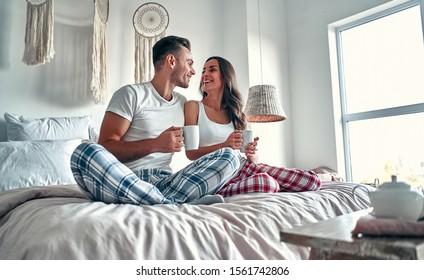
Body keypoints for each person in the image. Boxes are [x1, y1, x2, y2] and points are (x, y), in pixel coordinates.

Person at [70, 36, 240, 206]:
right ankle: (166, 202)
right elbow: (106, 147)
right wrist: (155, 144)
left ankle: (159, 200)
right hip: (123, 178)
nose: (194, 71)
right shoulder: (132, 94)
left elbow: (197, 150)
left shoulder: (183, 104)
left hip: (166, 184)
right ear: (171, 61)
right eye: (189, 63)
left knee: (229, 157)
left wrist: (233, 144)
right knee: (85, 151)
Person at [184, 56, 321, 197]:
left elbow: (252, 159)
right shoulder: (193, 107)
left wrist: (252, 153)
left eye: (212, 70)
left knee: (311, 181)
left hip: (245, 167)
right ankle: (223, 191)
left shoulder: (238, 114)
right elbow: (191, 154)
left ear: (225, 77)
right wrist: (225, 145)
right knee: (266, 183)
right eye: (203, 71)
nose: (205, 75)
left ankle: (324, 175)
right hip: (216, 175)